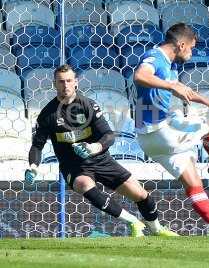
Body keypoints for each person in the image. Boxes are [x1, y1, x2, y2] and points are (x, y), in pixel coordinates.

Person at [133, 23, 209, 247]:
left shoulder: (168, 65)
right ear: (180, 45)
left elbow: (181, 88)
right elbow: (140, 76)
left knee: (193, 184)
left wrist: (208, 101)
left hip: (150, 142)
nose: (191, 53)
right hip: (161, 132)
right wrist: (171, 88)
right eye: (191, 48)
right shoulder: (155, 56)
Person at [25, 64, 178, 238]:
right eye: (61, 82)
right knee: (83, 184)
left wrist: (93, 147)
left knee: (141, 194)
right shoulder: (47, 115)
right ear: (54, 84)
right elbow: (37, 145)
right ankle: (133, 222)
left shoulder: (88, 106)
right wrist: (33, 166)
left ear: (75, 82)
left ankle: (157, 229)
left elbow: (108, 135)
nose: (65, 85)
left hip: (101, 160)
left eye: (69, 81)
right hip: (74, 166)